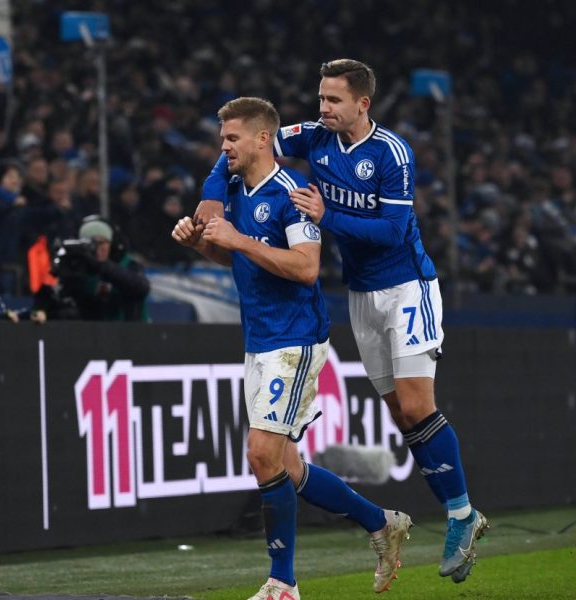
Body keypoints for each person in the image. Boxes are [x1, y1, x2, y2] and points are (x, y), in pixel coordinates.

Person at [196, 59, 486, 584]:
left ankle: (461, 513)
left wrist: (327, 215)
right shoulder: (314, 137)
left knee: (417, 404)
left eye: (333, 100)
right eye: (321, 98)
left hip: (407, 285)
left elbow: (393, 231)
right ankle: (391, 522)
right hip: (361, 294)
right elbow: (245, 144)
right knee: (400, 414)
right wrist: (213, 193)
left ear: (362, 104)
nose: (323, 108)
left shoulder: (392, 153)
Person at [175, 97, 412, 600]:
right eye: (222, 139)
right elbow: (237, 257)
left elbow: (305, 267)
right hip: (259, 339)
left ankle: (283, 582)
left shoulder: (292, 193)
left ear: (263, 138)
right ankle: (381, 522)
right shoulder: (236, 188)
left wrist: (238, 239)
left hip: (295, 339)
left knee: (261, 454)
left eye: (232, 138)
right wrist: (202, 244)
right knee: (288, 466)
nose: (224, 148)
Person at [34, 216, 150, 322]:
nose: (98, 248)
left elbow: (140, 288)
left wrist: (101, 266)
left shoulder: (128, 264)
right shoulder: (77, 269)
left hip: (129, 332)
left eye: (102, 242)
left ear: (112, 244)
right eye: (91, 244)